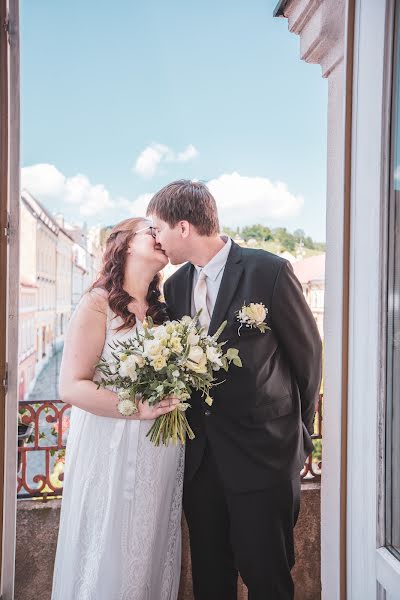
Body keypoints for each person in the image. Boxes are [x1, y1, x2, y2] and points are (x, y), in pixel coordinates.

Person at [147, 180, 323, 600]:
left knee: (268, 579)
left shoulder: (269, 271)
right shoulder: (174, 288)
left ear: (184, 227)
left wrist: (299, 436)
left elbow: (309, 358)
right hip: (201, 464)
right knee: (211, 581)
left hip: (265, 460)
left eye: (158, 228)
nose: (155, 237)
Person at [51, 217, 184, 600]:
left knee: (148, 547)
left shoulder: (163, 310)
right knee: (107, 547)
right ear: (125, 244)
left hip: (158, 453)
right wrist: (136, 408)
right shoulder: (98, 303)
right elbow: (71, 385)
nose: (159, 237)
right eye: (150, 231)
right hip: (110, 447)